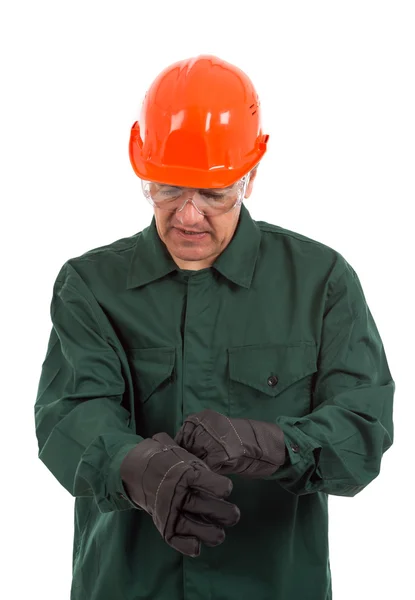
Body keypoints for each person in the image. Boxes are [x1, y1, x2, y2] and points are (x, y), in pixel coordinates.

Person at [34, 54, 395, 600]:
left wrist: (274, 444)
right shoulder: (90, 286)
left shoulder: (322, 281)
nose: (187, 215)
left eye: (213, 192)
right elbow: (70, 417)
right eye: (167, 188)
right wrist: (134, 466)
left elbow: (364, 429)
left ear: (251, 175)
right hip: (128, 586)